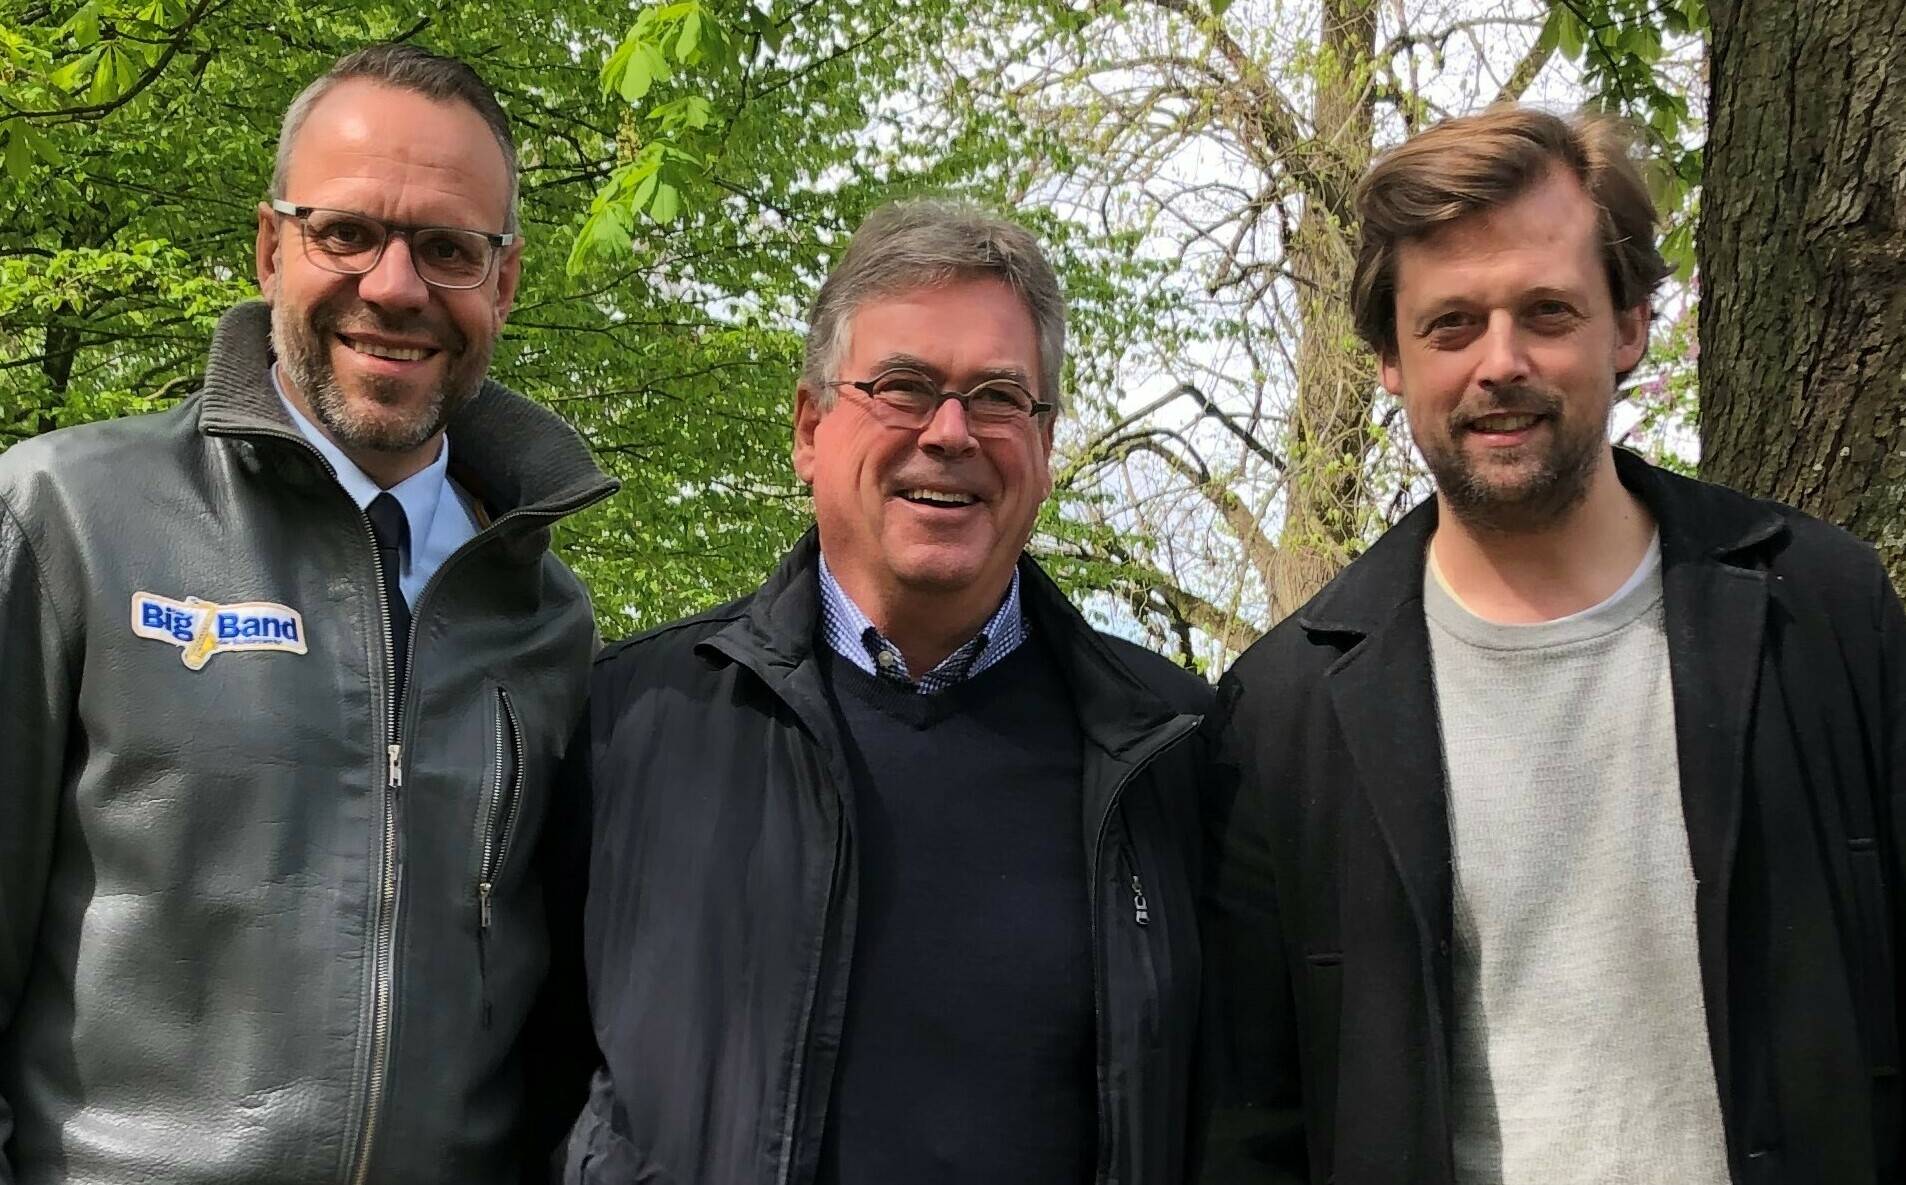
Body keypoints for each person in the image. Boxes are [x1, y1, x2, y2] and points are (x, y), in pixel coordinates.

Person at [1202, 106, 1906, 1184]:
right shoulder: (1286, 709)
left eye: (1545, 311)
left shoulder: (1821, 612)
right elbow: (1253, 1124)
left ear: (1625, 328)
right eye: (1450, 326)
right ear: (1389, 358)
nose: (1501, 363)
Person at [0, 44, 616, 1183]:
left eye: (447, 249)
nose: (394, 286)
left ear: (506, 283)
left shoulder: (551, 623)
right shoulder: (65, 520)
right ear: (271, 246)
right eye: (346, 232)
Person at [551, 200, 1212, 1184]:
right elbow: (531, 1091)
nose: (949, 433)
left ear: (1044, 444)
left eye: (996, 396)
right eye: (903, 387)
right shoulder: (628, 724)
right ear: (810, 427)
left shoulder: (1169, 752)